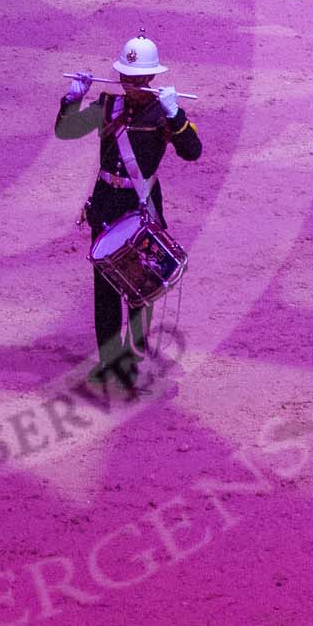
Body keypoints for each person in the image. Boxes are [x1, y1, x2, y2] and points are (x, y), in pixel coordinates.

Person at [55, 36, 202, 392]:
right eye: (127, 78)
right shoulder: (108, 105)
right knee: (104, 290)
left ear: (151, 78)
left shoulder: (162, 112)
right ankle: (110, 362)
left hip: (141, 209)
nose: (131, 86)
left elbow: (193, 151)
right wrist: (73, 99)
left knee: (139, 290)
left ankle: (133, 362)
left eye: (138, 80)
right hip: (107, 205)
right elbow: (66, 131)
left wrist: (176, 114)